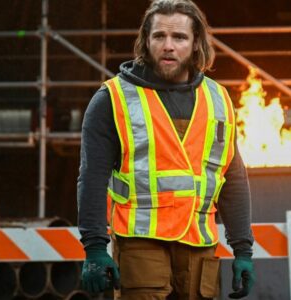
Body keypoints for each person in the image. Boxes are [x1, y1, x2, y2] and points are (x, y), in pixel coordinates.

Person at [77, 0, 254, 299]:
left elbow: (232, 177)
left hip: (199, 248)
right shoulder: (113, 99)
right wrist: (95, 248)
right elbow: (92, 178)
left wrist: (243, 249)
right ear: (146, 40)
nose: (168, 46)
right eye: (159, 36)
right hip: (140, 247)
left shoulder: (219, 99)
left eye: (179, 37)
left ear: (196, 43)